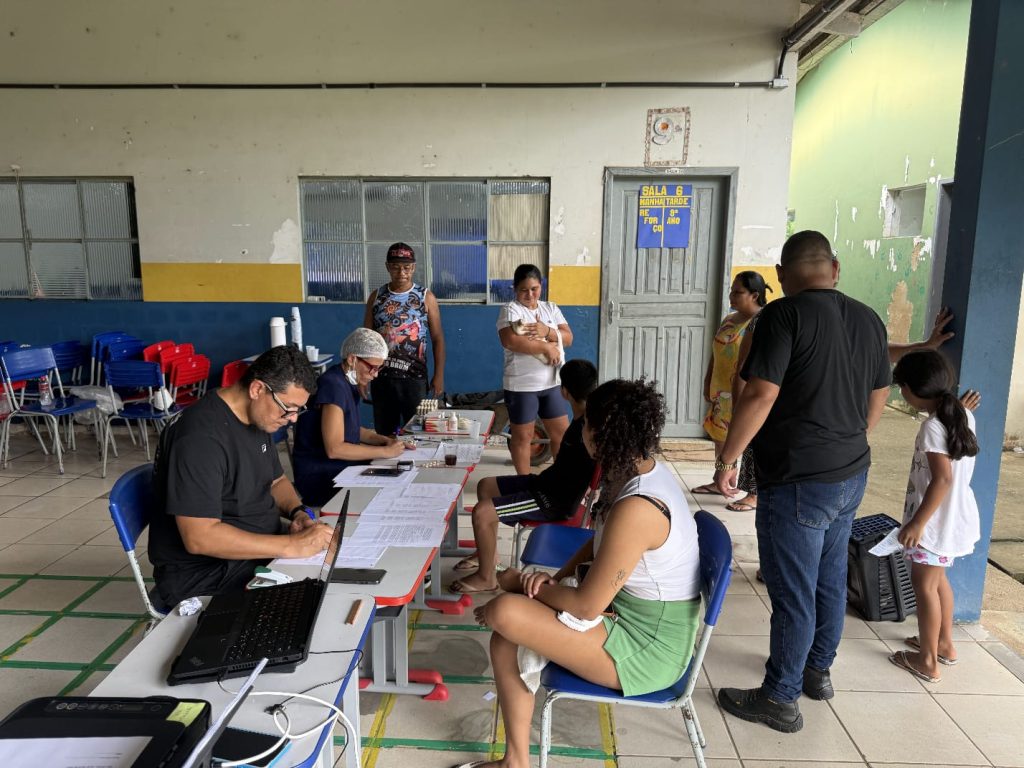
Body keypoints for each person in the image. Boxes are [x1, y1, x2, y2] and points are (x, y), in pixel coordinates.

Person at [463, 378, 699, 768]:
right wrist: (553, 581)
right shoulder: (631, 472)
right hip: (626, 615)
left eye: (586, 422)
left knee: (505, 611)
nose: (581, 428)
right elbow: (598, 542)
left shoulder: (639, 506)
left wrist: (523, 584)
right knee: (508, 634)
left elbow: (587, 607)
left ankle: (516, 761)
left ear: (599, 434)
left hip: (649, 650)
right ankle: (516, 762)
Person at [713, 230, 890, 733]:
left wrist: (729, 458)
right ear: (834, 268)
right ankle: (817, 672)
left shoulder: (782, 315)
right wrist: (850, 438)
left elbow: (760, 394)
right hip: (850, 472)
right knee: (828, 578)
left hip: (797, 479)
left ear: (781, 275)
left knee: (793, 591)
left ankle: (780, 696)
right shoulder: (869, 317)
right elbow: (880, 392)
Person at [149, 346, 336, 609]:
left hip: (257, 550)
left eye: (298, 410)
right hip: (207, 573)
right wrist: (290, 546)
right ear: (257, 389)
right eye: (288, 408)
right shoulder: (200, 438)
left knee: (338, 562)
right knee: (319, 602)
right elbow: (200, 537)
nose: (293, 419)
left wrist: (299, 513)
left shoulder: (257, 417)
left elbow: (276, 481)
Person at [448, 359, 599, 595]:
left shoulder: (588, 428)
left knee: (482, 512)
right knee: (486, 486)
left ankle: (487, 578)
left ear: (564, 391)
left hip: (552, 501)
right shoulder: (583, 419)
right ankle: (488, 556)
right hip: (546, 485)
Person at [888, 350, 980, 683]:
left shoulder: (933, 426)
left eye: (902, 387)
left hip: (934, 523)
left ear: (911, 390)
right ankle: (944, 644)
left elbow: (942, 479)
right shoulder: (962, 415)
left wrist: (917, 523)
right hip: (953, 520)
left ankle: (927, 661)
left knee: (924, 586)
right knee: (938, 581)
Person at [292, 328, 411, 506]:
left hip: (338, 464)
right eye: (372, 368)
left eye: (379, 368)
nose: (376, 374)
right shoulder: (333, 385)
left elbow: (353, 429)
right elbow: (335, 449)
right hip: (321, 473)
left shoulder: (347, 382)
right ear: (352, 359)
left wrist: (386, 441)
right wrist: (385, 452)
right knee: (389, 483)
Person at [690, 271, 772, 507]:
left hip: (747, 393)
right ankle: (721, 481)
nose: (731, 296)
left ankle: (754, 494)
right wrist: (708, 380)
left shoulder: (761, 322)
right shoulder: (729, 319)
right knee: (720, 437)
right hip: (722, 392)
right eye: (731, 291)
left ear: (754, 295)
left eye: (738, 292)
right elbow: (715, 354)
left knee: (749, 440)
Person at [497, 263, 573, 473]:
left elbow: (568, 338)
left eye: (534, 289)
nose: (530, 294)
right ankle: (524, 484)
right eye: (523, 289)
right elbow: (511, 341)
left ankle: (561, 480)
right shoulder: (510, 310)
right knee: (523, 437)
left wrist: (546, 330)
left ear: (541, 286)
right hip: (522, 385)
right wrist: (546, 347)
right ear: (515, 288)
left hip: (552, 383)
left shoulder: (550, 308)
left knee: (561, 435)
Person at [364, 242, 446, 436]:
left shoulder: (426, 297)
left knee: (418, 433)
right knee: (385, 433)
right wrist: (363, 375)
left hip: (415, 379)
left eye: (407, 267)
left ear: (414, 268)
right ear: (387, 267)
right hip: (381, 378)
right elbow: (366, 339)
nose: (401, 272)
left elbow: (437, 338)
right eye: (395, 267)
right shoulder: (376, 297)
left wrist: (439, 375)